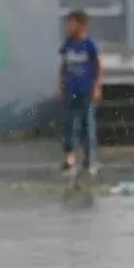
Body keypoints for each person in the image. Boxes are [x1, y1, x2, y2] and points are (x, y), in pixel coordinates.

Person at [58, 10, 103, 176]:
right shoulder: (67, 44)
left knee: (87, 125)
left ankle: (89, 159)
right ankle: (69, 157)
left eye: (71, 23)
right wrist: (61, 86)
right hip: (71, 90)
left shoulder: (90, 44)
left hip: (86, 92)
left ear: (81, 25)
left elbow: (99, 67)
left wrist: (97, 86)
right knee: (69, 125)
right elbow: (63, 67)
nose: (67, 27)